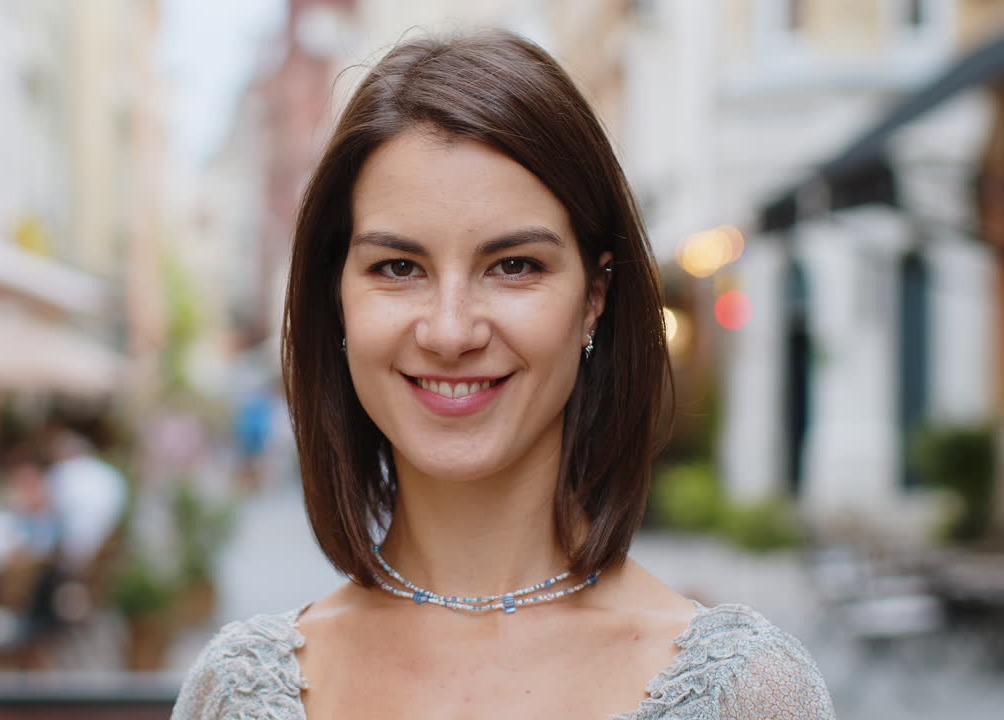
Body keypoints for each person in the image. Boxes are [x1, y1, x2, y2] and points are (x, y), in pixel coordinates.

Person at [173, 30, 834, 719]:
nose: (452, 331)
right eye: (398, 268)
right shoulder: (235, 693)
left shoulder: (747, 695)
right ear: (336, 299)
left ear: (595, 298)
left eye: (514, 265)